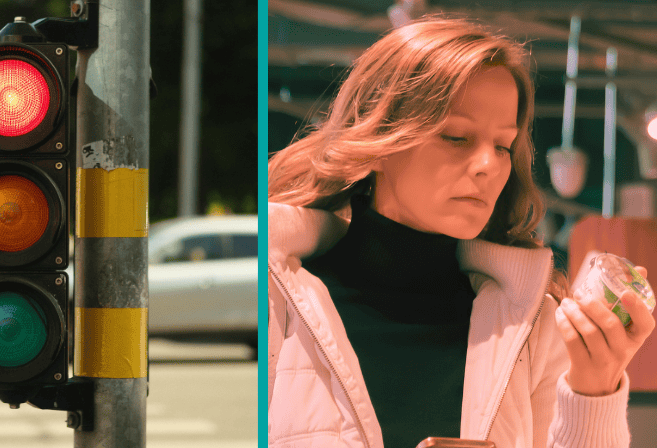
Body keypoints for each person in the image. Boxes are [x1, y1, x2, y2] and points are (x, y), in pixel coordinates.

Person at [267, 17, 654, 448]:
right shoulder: (277, 299)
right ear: (377, 139)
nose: (489, 164)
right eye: (456, 137)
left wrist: (594, 389)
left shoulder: (532, 323)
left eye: (504, 145)